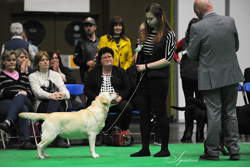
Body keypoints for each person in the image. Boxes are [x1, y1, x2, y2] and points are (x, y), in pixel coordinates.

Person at [187, 0, 244, 160]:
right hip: (231, 74)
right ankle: (234, 150)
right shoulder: (229, 21)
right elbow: (236, 46)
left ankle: (212, 152)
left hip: (210, 77)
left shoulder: (197, 27)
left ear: (198, 11)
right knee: (230, 113)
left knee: (214, 114)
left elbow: (191, 55)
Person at [130, 3, 176, 157]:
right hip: (143, 79)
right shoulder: (145, 33)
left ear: (159, 17)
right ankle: (145, 148)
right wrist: (138, 47)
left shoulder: (169, 35)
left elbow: (168, 59)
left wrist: (146, 66)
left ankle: (164, 148)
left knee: (160, 112)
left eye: (151, 19)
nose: (148, 21)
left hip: (158, 79)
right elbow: (137, 57)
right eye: (147, 19)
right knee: (143, 113)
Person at [84, 47, 133, 145]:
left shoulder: (120, 71)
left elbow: (128, 88)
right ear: (100, 61)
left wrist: (120, 97)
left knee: (127, 106)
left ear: (113, 58)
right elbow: (87, 89)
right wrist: (95, 97)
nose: (107, 59)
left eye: (109, 57)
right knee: (89, 106)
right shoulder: (93, 72)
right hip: (98, 103)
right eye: (104, 58)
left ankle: (122, 132)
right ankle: (96, 134)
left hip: (116, 101)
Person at [28, 51, 70, 148]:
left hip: (58, 101)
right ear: (37, 63)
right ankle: (59, 139)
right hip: (41, 103)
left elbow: (64, 89)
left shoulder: (56, 75)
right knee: (58, 107)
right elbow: (37, 92)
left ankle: (49, 120)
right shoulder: (33, 76)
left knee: (57, 99)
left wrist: (63, 94)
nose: (46, 62)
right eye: (42, 60)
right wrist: (50, 95)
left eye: (47, 59)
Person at [0, 50, 36, 150]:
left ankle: (8, 122)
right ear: (3, 62)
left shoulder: (23, 75)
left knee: (21, 98)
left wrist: (23, 94)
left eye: (13, 60)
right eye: (8, 60)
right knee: (22, 108)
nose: (12, 62)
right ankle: (25, 141)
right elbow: (1, 93)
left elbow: (29, 91)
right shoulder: (1, 75)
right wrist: (16, 93)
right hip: (6, 103)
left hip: (24, 100)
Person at [174, 18, 203, 141]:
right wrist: (178, 60)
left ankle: (200, 132)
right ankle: (188, 131)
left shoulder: (204, 40)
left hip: (201, 77)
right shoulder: (184, 42)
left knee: (201, 105)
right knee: (188, 104)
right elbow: (173, 51)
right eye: (192, 27)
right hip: (187, 77)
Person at [73, 17, 100, 83]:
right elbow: (76, 59)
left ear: (95, 27)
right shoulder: (81, 42)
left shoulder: (101, 41)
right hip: (86, 76)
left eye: (90, 26)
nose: (88, 28)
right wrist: (86, 62)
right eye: (86, 26)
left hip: (100, 75)